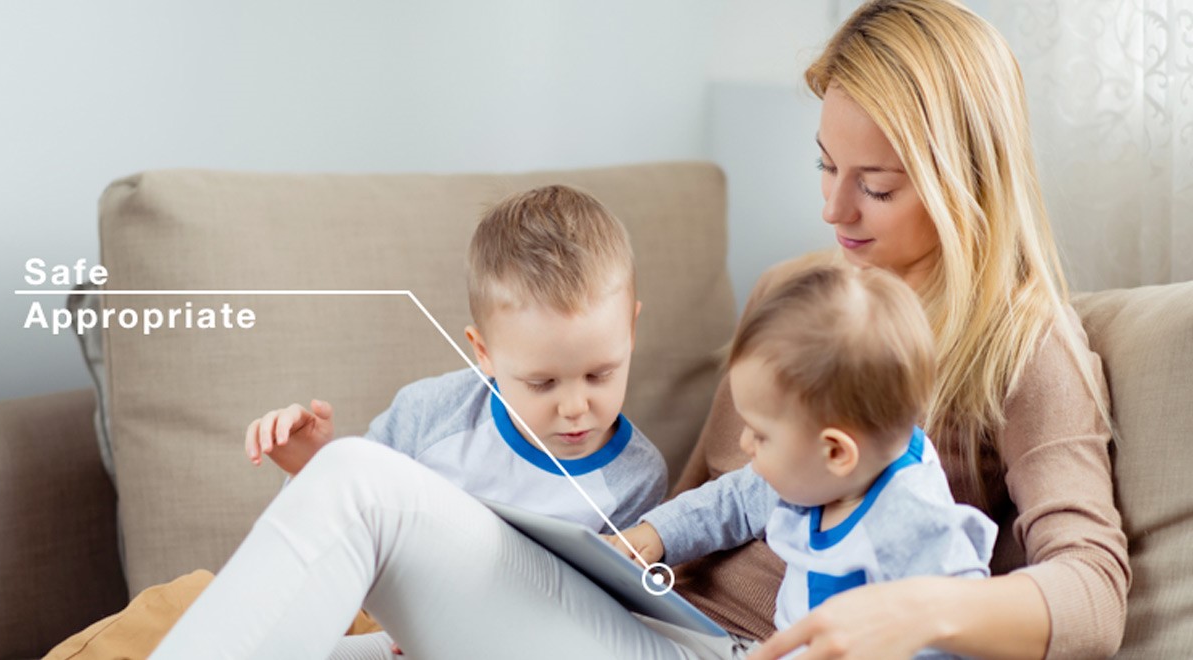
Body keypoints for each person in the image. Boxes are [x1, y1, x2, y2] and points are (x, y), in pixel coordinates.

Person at [153, 1, 1130, 658]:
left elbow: (1094, 590)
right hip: (643, 620)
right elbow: (708, 501)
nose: (836, 211)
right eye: (824, 167)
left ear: (969, 177)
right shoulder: (800, 291)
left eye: (876, 185)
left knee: (363, 483)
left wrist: (920, 609)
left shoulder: (1024, 345)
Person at [611, 264, 996, 659]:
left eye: (760, 434)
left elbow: (966, 621)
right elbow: (734, 502)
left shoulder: (913, 523)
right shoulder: (808, 476)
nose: (744, 443)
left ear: (836, 452)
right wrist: (657, 534)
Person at [243, 184, 667, 535]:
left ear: (630, 331)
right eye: (542, 383)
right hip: (367, 609)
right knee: (189, 595)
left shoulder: (636, 480)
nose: (575, 407)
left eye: (599, 374)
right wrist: (314, 467)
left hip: (492, 635)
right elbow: (328, 533)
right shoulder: (428, 415)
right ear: (483, 352)